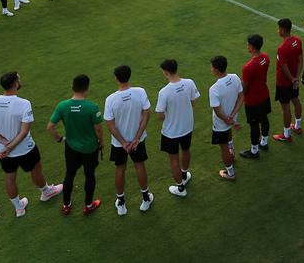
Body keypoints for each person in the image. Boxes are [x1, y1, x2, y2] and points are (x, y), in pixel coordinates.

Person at [0, 72, 62, 217]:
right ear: (15, 84)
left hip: (2, 150)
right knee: (36, 168)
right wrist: (9, 146)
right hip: (25, 149)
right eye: (18, 79)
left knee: (10, 176)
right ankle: (46, 192)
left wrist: (5, 144)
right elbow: (24, 131)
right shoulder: (24, 103)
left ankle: (18, 208)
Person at [47, 74, 104, 215]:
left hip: (71, 147)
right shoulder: (92, 107)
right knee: (89, 175)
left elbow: (50, 127)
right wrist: (101, 142)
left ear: (72, 87)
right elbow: (98, 129)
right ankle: (88, 205)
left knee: (70, 174)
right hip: (90, 148)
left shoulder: (63, 106)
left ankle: (66, 205)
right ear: (87, 88)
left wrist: (60, 139)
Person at [103, 65, 154, 215]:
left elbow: (110, 125)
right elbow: (146, 114)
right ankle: (146, 198)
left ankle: (121, 202)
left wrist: (123, 142)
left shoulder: (110, 99)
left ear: (116, 78)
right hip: (137, 141)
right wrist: (137, 138)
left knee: (120, 169)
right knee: (139, 165)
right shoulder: (140, 92)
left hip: (120, 144)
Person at [156, 59, 199, 197]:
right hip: (187, 127)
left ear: (166, 72)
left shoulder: (164, 92)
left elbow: (160, 115)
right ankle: (184, 175)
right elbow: (193, 102)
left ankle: (180, 188)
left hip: (171, 132)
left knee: (173, 159)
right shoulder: (189, 83)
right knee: (186, 150)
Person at [207, 56, 243, 180]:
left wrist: (229, 120)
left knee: (223, 148)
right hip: (232, 117)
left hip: (221, 122)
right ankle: (232, 151)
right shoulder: (235, 77)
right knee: (228, 134)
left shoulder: (214, 89)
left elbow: (218, 112)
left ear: (216, 70)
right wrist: (233, 117)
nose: (211, 69)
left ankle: (230, 173)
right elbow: (241, 97)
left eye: (212, 67)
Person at [239, 34, 272, 159]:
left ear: (252, 47)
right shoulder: (265, 58)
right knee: (264, 119)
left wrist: (241, 96)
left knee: (254, 125)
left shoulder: (248, 67)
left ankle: (254, 150)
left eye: (248, 44)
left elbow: (244, 87)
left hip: (253, 101)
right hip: (264, 94)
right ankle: (264, 142)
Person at [272, 19, 304, 142]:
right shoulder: (297, 40)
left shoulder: (282, 48)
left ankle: (286, 135)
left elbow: (283, 66)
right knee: (296, 100)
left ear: (283, 30)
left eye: (278, 28)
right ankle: (298, 126)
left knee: (285, 107)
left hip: (284, 82)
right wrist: (296, 78)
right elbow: (300, 59)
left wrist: (291, 79)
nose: (277, 31)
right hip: (294, 80)